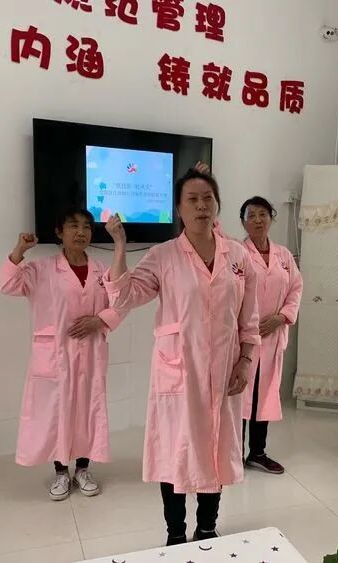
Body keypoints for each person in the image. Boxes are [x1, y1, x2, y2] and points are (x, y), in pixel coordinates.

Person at [103, 168, 260, 546]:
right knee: (174, 454)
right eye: (192, 199)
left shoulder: (238, 256)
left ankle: (207, 527)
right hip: (179, 373)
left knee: (215, 450)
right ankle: (175, 534)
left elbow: (249, 317)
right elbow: (124, 296)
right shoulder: (164, 255)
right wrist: (120, 246)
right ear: (178, 208)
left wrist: (245, 361)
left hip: (224, 371)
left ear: (217, 204)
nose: (201, 206)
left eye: (208, 198)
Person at [0, 206, 126, 502]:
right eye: (73, 226)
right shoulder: (41, 269)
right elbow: (7, 284)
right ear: (59, 232)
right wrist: (19, 251)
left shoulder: (101, 271)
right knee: (57, 412)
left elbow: (121, 301)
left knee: (87, 410)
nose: (81, 232)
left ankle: (83, 469)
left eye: (86, 227)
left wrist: (99, 320)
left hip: (90, 352)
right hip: (55, 355)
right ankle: (60, 472)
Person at [239, 197, 303, 474]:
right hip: (244, 337)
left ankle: (257, 453)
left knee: (262, 395)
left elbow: (296, 287)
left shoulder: (284, 256)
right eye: (251, 215)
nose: (257, 220)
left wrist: (282, 317)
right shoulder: (237, 253)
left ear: (271, 218)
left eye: (262, 214)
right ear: (243, 222)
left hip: (273, 336)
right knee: (240, 395)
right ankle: (232, 455)